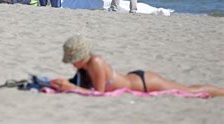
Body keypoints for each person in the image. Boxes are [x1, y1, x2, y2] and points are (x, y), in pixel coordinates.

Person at [50, 35, 224, 97]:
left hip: (146, 83)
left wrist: (69, 87)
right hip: (135, 78)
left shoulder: (95, 62)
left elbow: (99, 93)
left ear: (82, 56)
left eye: (73, 59)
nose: (72, 64)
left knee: (191, 91)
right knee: (189, 89)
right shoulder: (85, 67)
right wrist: (65, 84)